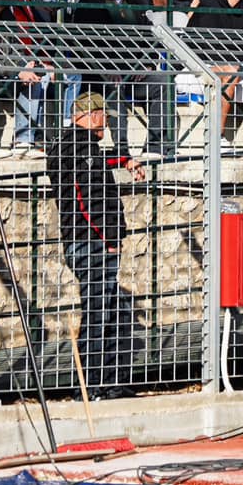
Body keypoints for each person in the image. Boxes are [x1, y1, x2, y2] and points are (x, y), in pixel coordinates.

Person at [47, 92, 141, 399]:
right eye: (104, 117)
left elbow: (101, 162)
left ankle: (108, 382)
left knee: (111, 311)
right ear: (93, 115)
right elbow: (91, 201)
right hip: (92, 242)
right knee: (99, 315)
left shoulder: (75, 146)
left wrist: (125, 159)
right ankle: (90, 387)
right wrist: (110, 238)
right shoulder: (80, 147)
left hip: (85, 241)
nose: (107, 123)